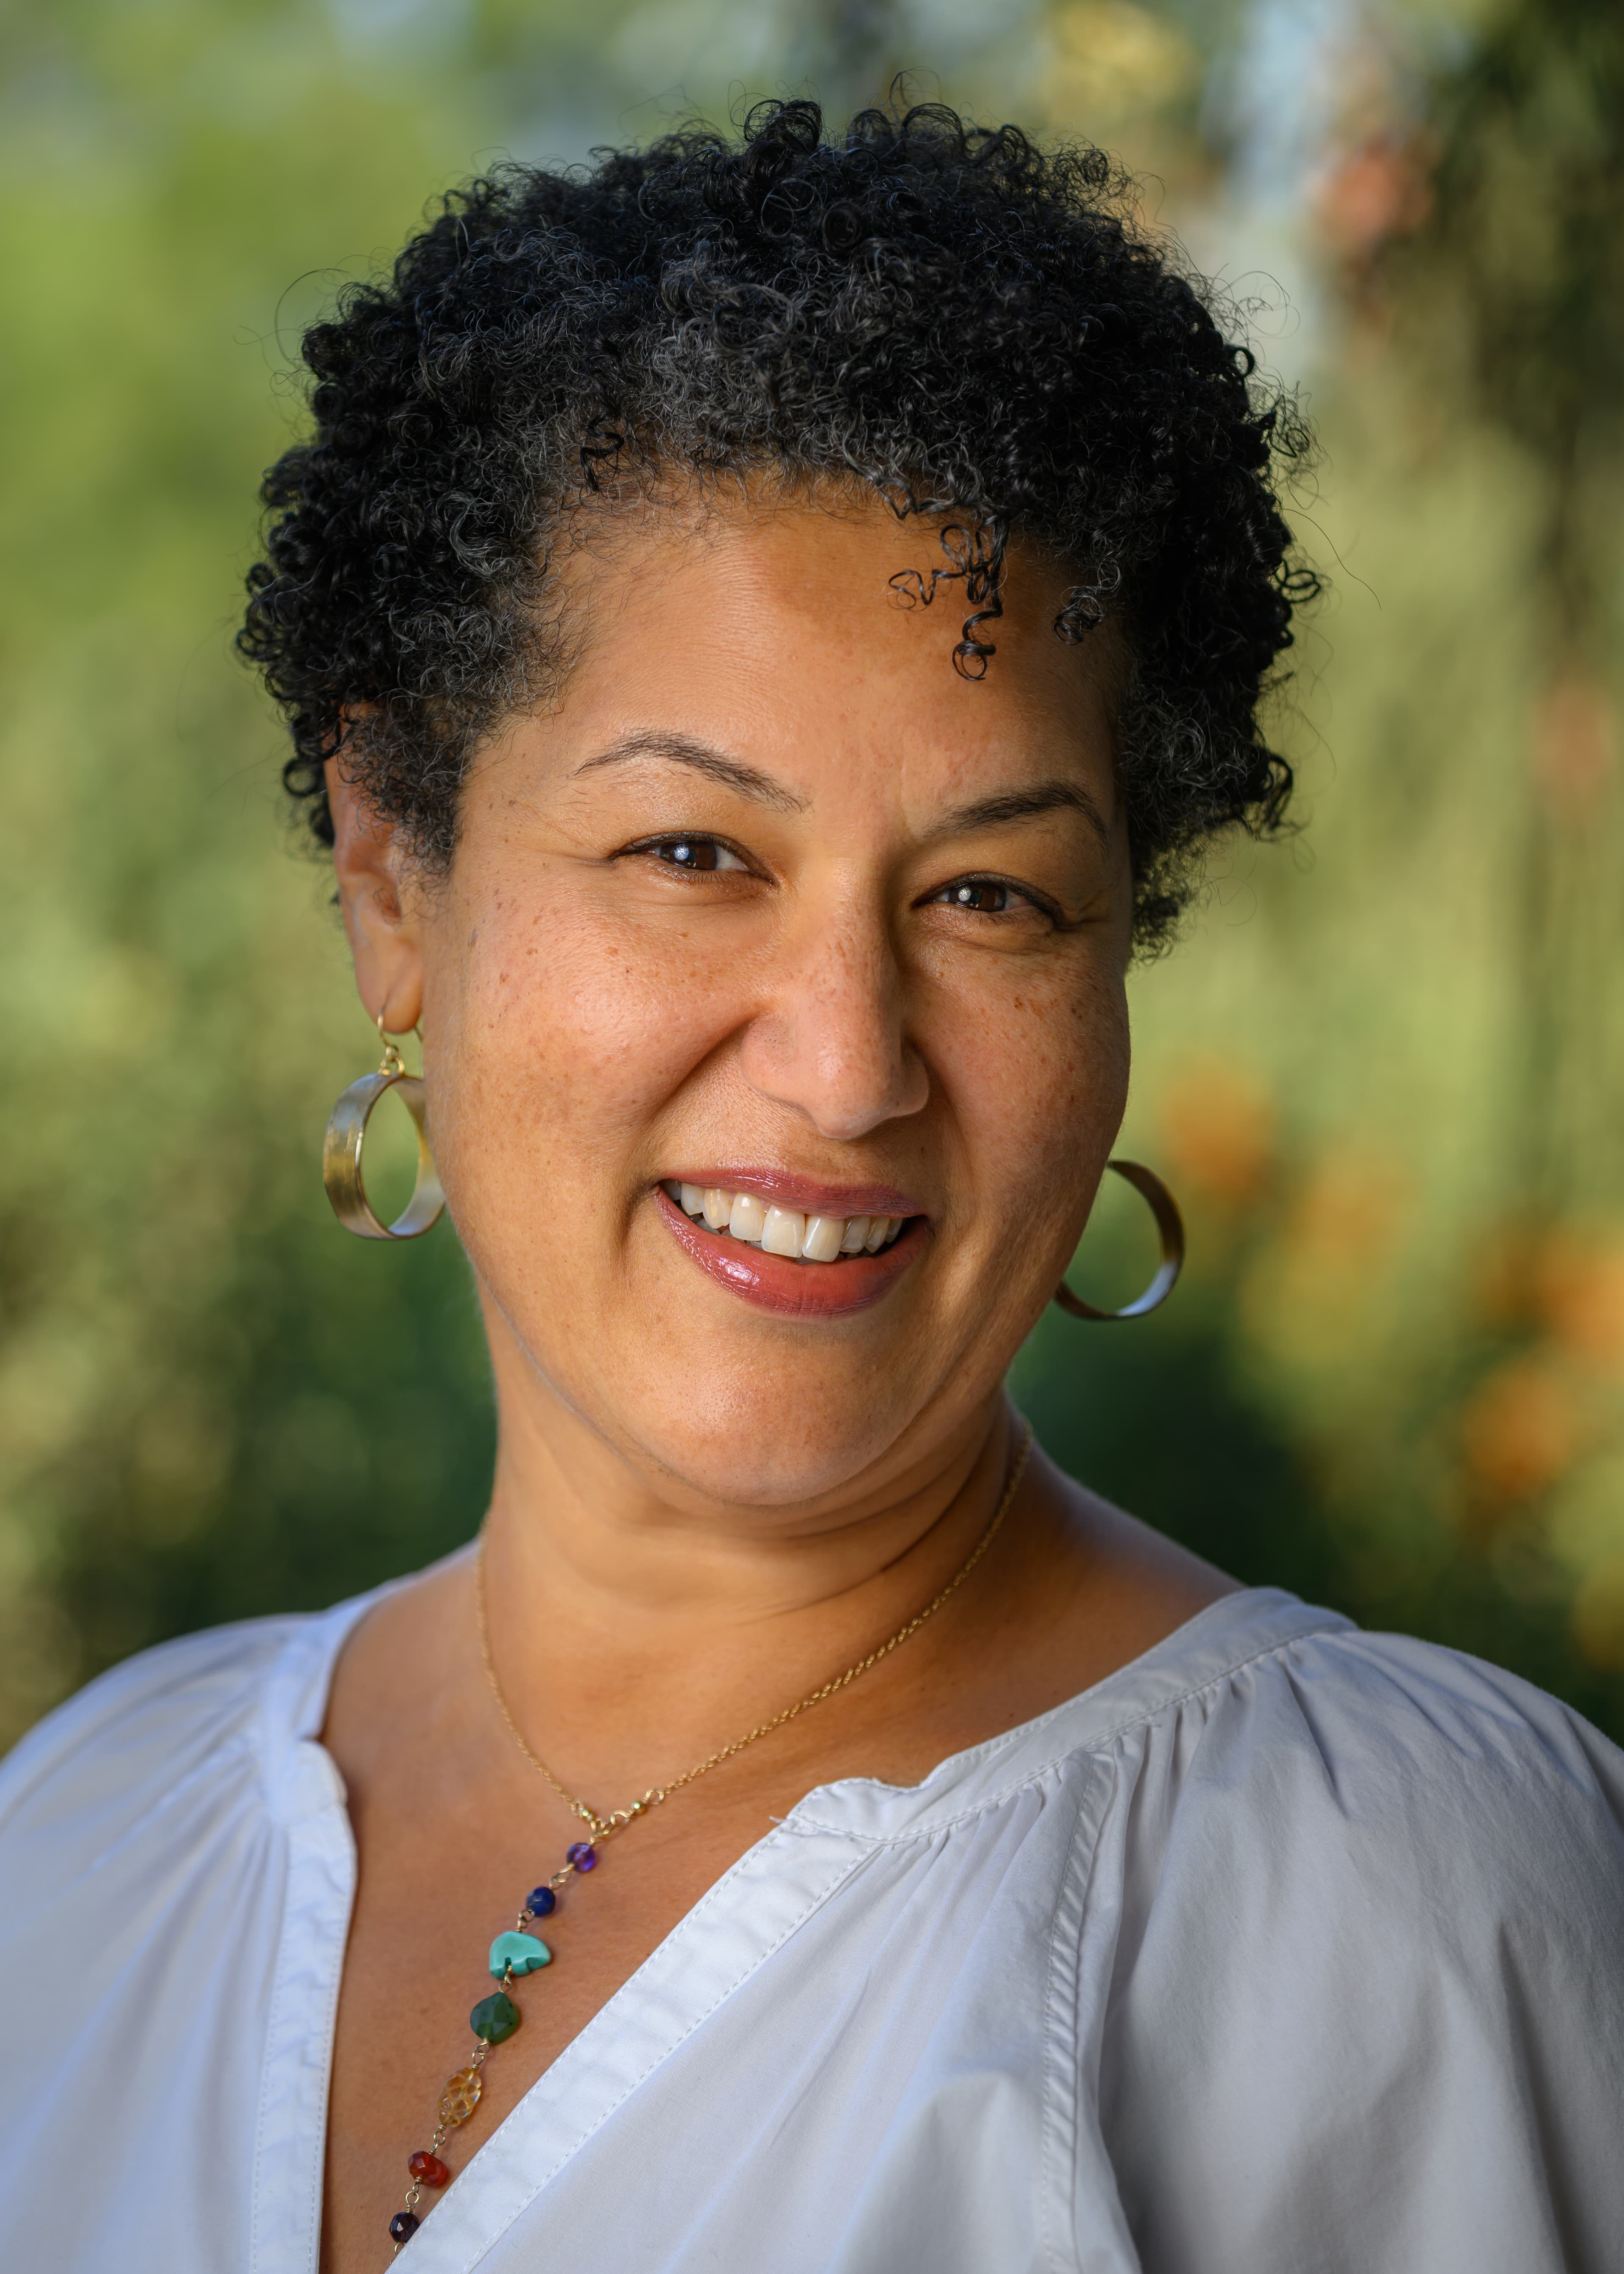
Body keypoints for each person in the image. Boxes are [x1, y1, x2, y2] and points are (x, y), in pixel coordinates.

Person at [1, 100, 1620, 2274]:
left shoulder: (1401, 1913)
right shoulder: (91, 1841)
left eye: (991, 898)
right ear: (395, 875)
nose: (849, 1066)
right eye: (695, 856)